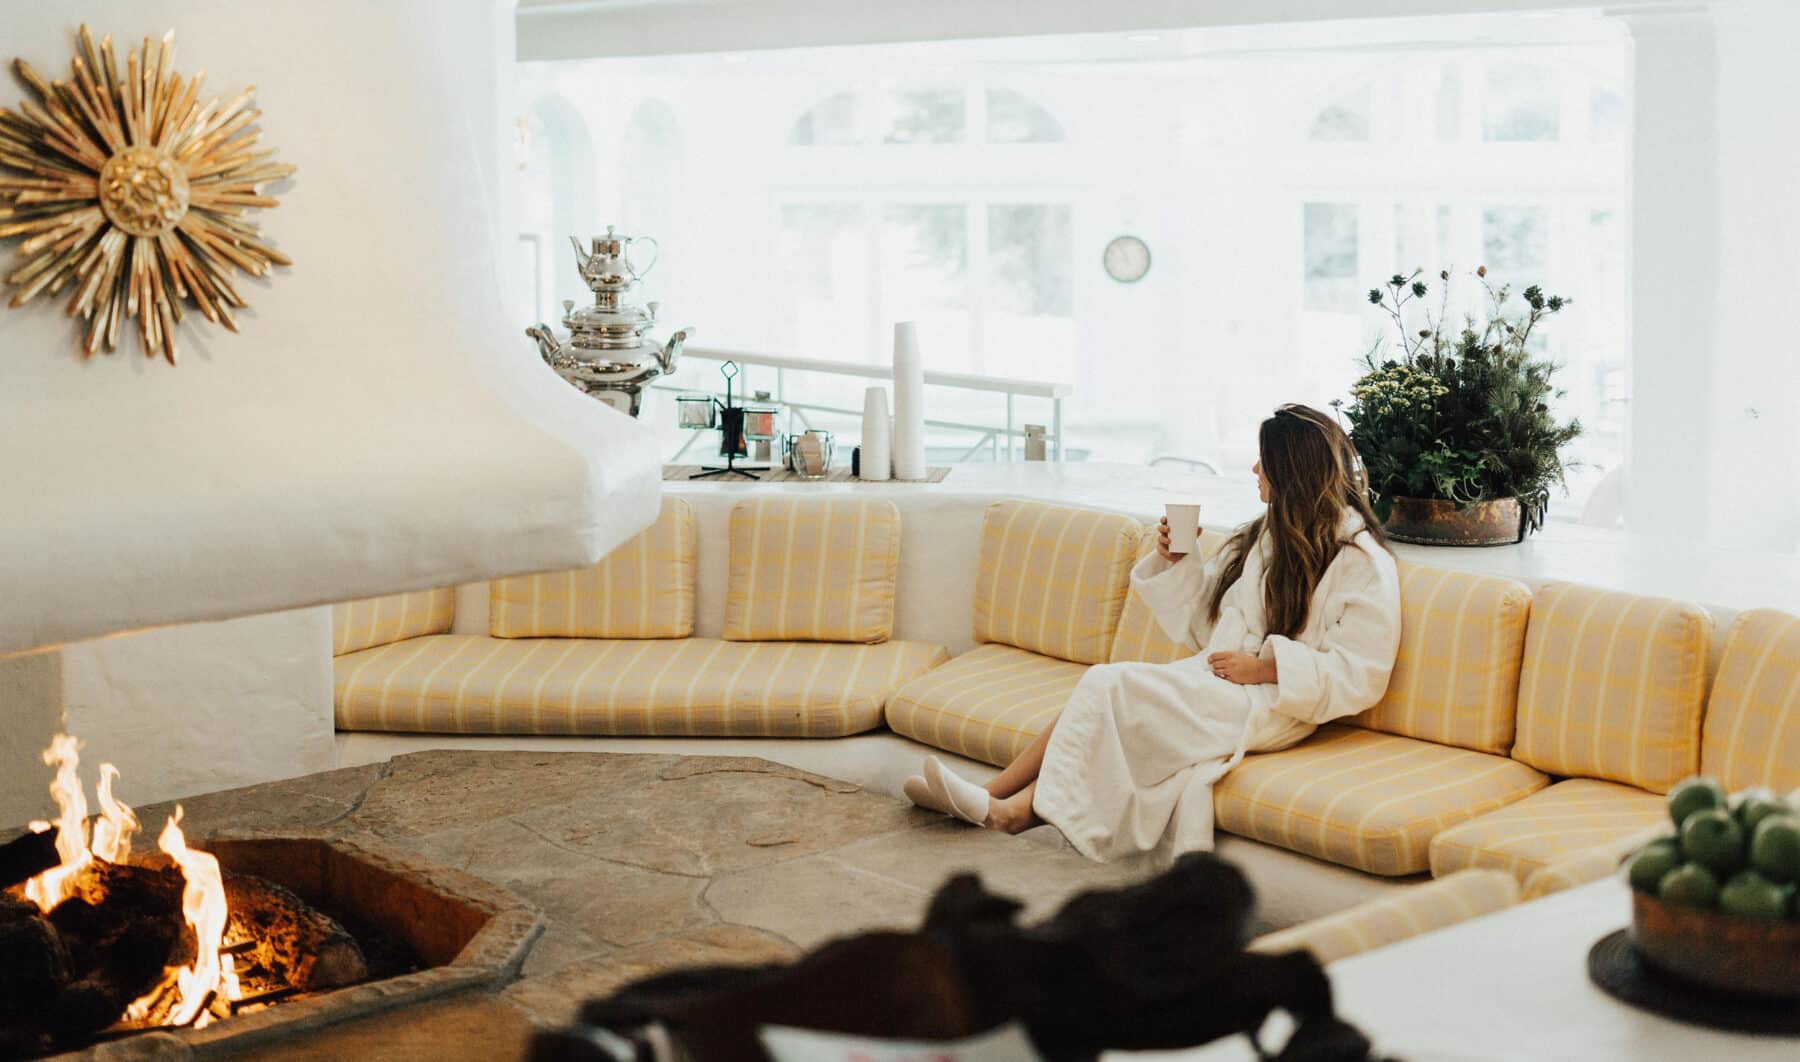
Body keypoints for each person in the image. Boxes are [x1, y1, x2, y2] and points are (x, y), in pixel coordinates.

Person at [904, 404, 1403, 865]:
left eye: (1264, 462)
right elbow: (1209, 627)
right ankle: (992, 799)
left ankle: (1006, 810)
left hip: (1278, 706)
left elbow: (1361, 674)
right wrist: (1179, 562)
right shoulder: (1265, 537)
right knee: (1106, 694)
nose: (1255, 470)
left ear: (1291, 470)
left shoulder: (1359, 561)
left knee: (1109, 685)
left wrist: (1267, 668)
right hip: (1226, 685)